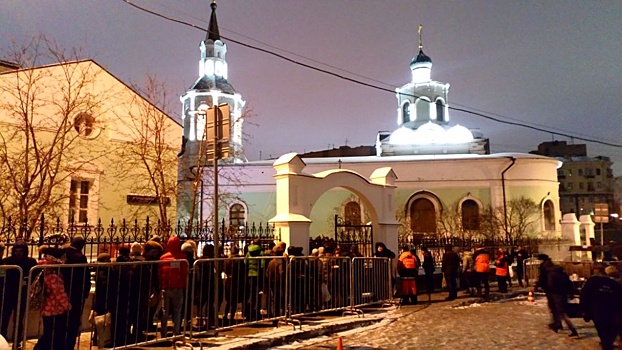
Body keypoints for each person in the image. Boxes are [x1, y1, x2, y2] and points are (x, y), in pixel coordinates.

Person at [34, 247, 72, 350]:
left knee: (49, 333)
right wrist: (67, 306)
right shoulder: (53, 275)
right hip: (55, 309)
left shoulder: (45, 270)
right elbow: (59, 293)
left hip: (48, 308)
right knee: (52, 335)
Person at [0, 239, 37, 343]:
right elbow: (2, 275)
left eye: (21, 251)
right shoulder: (7, 261)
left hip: (22, 293)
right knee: (4, 317)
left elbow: (35, 275)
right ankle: (2, 339)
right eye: (16, 251)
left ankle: (17, 341)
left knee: (19, 319)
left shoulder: (30, 262)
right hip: (7, 292)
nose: (18, 254)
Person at [581, 262, 622, 350]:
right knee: (609, 334)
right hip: (612, 312)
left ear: (596, 270)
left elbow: (584, 296)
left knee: (604, 333)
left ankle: (607, 345)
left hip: (598, 312)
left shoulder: (592, 281)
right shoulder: (614, 283)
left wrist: (585, 311)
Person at [62, 236, 91, 350]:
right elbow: (84, 276)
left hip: (62, 292)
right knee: (73, 321)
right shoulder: (80, 257)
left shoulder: (63, 253)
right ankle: (69, 345)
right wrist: (85, 292)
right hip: (76, 293)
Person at [159, 236, 189, 337]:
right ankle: (176, 332)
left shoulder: (163, 257)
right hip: (178, 287)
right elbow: (184, 273)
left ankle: (163, 332)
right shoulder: (182, 258)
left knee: (165, 311)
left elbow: (159, 273)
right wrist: (184, 283)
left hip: (166, 287)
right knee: (177, 310)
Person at [547, 264, 578, 337]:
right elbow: (569, 284)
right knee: (560, 311)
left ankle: (572, 329)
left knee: (561, 312)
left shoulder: (551, 275)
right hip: (563, 295)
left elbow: (550, 285)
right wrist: (571, 293)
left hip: (555, 295)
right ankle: (557, 325)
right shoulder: (564, 274)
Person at [245, 238, 265, 322]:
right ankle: (256, 312)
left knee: (250, 294)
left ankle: (249, 312)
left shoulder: (248, 252)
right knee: (258, 294)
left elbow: (245, 263)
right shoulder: (261, 252)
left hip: (249, 275)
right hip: (258, 275)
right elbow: (262, 265)